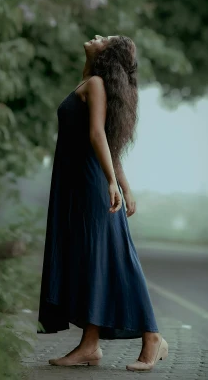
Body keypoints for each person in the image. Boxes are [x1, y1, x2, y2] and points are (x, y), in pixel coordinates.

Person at [37, 33, 168, 371]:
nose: (96, 36)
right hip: (78, 185)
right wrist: (123, 184)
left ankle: (152, 335)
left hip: (91, 184)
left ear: (107, 54)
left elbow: (98, 136)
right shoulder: (90, 80)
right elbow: (107, 142)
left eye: (105, 38)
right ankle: (90, 346)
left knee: (115, 257)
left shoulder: (95, 84)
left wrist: (114, 182)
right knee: (91, 260)